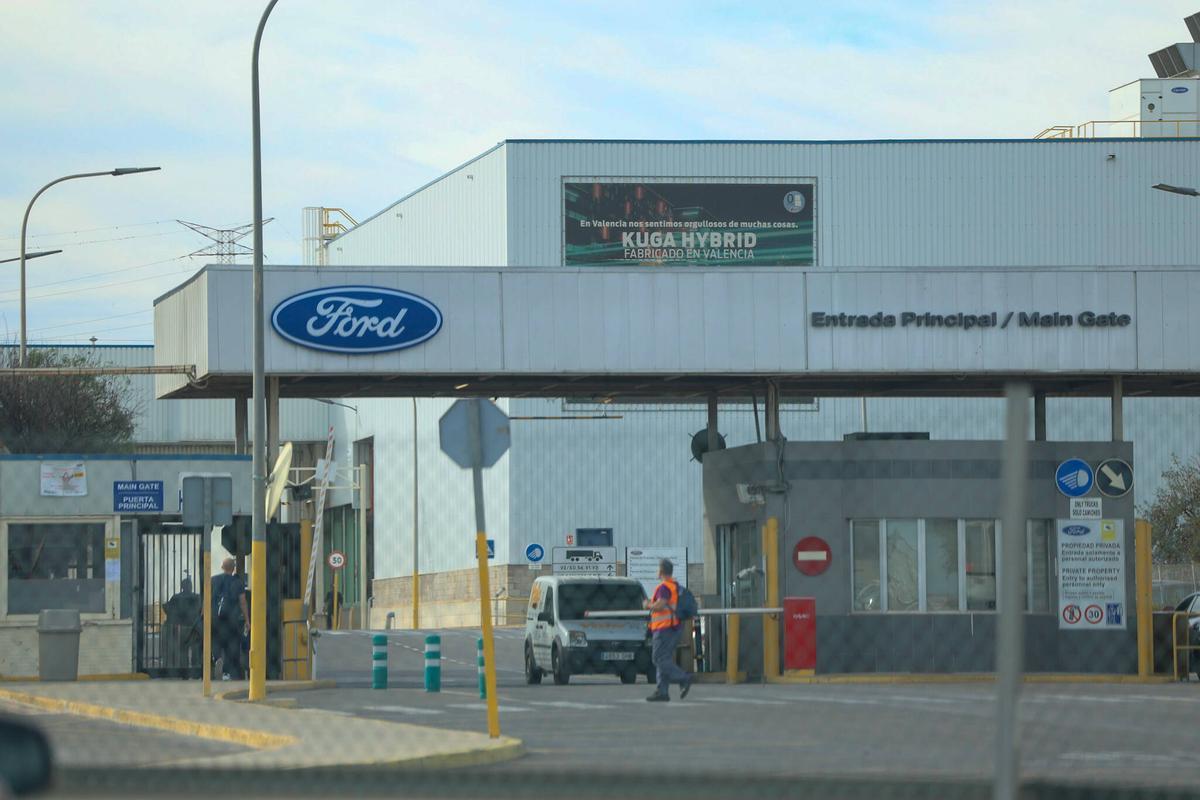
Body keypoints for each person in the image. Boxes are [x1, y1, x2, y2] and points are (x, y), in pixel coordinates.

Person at [642, 558, 692, 702]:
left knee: (657, 658)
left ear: (661, 571)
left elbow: (660, 605)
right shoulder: (675, 586)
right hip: (673, 627)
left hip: (665, 629)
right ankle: (662, 691)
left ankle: (683, 678)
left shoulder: (664, 587)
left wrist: (647, 605)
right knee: (664, 658)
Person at [211, 558, 249, 680]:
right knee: (230, 645)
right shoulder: (237, 582)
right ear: (233, 568)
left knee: (215, 641)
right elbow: (243, 602)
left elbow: (207, 599)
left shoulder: (213, 580)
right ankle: (226, 672)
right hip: (232, 619)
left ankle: (217, 658)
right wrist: (247, 620)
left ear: (222, 567)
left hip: (215, 618)